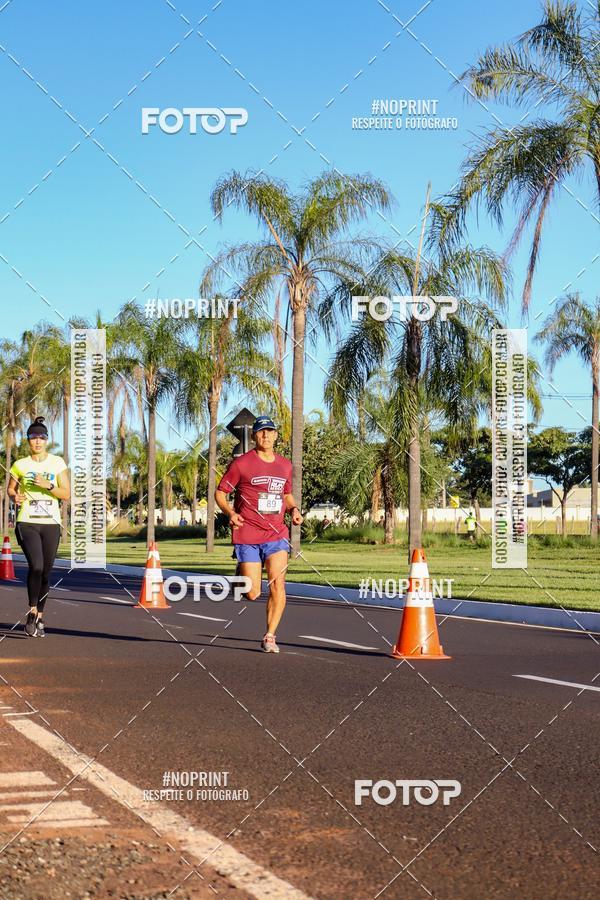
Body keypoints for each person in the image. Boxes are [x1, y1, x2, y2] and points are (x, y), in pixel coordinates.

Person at [215, 416, 303, 653]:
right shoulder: (241, 464)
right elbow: (221, 493)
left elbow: (286, 495)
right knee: (253, 593)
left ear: (276, 436)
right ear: (254, 436)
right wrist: (230, 513)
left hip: (276, 534)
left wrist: (294, 509)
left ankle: (270, 636)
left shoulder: (285, 465)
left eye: (270, 431)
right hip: (248, 534)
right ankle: (241, 574)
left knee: (278, 584)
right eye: (261, 432)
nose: (266, 435)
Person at [7, 417, 70, 637]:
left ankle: (41, 616)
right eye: (33, 437)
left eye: (41, 437)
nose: (38, 441)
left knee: (46, 572)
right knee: (36, 566)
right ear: (28, 440)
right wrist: (15, 496)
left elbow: (67, 494)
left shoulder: (57, 463)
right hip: (27, 522)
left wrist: (49, 485)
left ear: (46, 440)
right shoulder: (20, 464)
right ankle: (32, 611)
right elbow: (11, 490)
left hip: (51, 524)